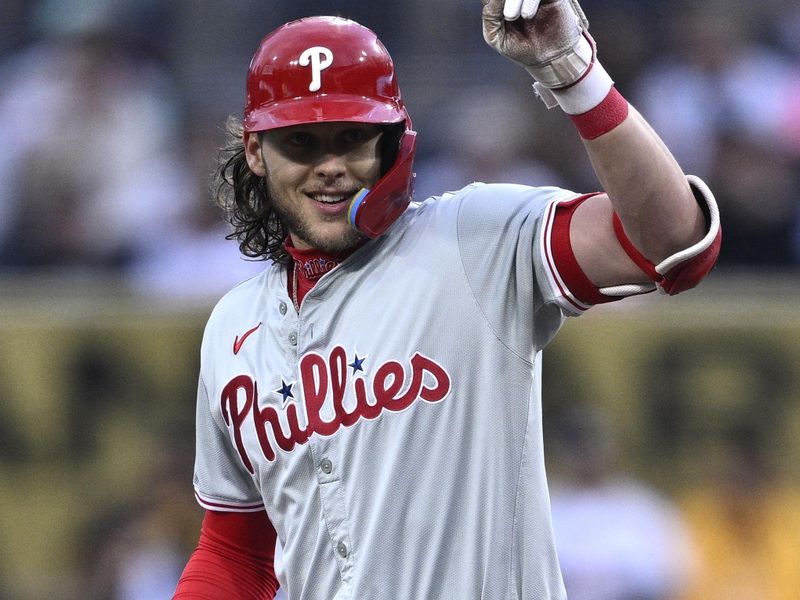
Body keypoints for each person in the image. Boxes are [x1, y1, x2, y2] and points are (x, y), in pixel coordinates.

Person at [173, 1, 721, 598]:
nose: (329, 166)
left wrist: (574, 74)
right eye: (302, 142)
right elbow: (235, 550)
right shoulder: (233, 326)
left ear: (392, 145)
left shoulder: (473, 239)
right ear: (257, 153)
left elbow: (676, 245)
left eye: (352, 138)